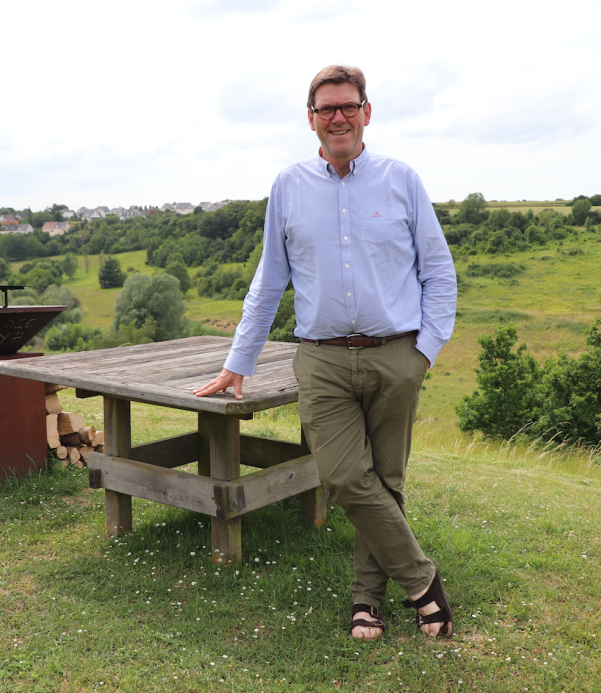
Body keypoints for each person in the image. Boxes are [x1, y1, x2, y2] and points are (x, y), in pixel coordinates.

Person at [194, 65, 458, 641]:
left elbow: (438, 271)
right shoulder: (288, 187)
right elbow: (269, 281)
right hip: (322, 359)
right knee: (343, 476)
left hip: (396, 354)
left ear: (367, 111)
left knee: (385, 482)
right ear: (310, 119)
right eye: (326, 109)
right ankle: (423, 581)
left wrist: (426, 351)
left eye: (348, 106)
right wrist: (239, 360)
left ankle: (367, 601)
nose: (338, 117)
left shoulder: (402, 180)